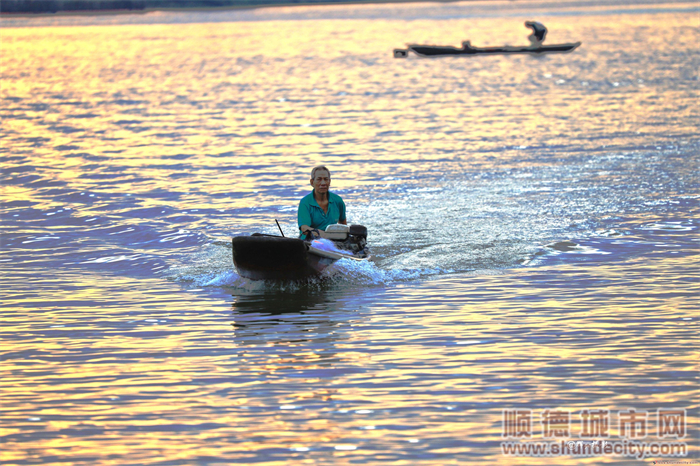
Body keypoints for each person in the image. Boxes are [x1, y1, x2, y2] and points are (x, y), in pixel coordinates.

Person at [298, 166, 347, 240]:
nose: (323, 183)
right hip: (310, 241)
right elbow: (304, 228)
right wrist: (323, 234)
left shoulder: (338, 201)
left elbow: (343, 223)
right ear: (312, 182)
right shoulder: (305, 202)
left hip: (331, 241)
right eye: (319, 179)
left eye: (326, 179)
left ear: (329, 182)